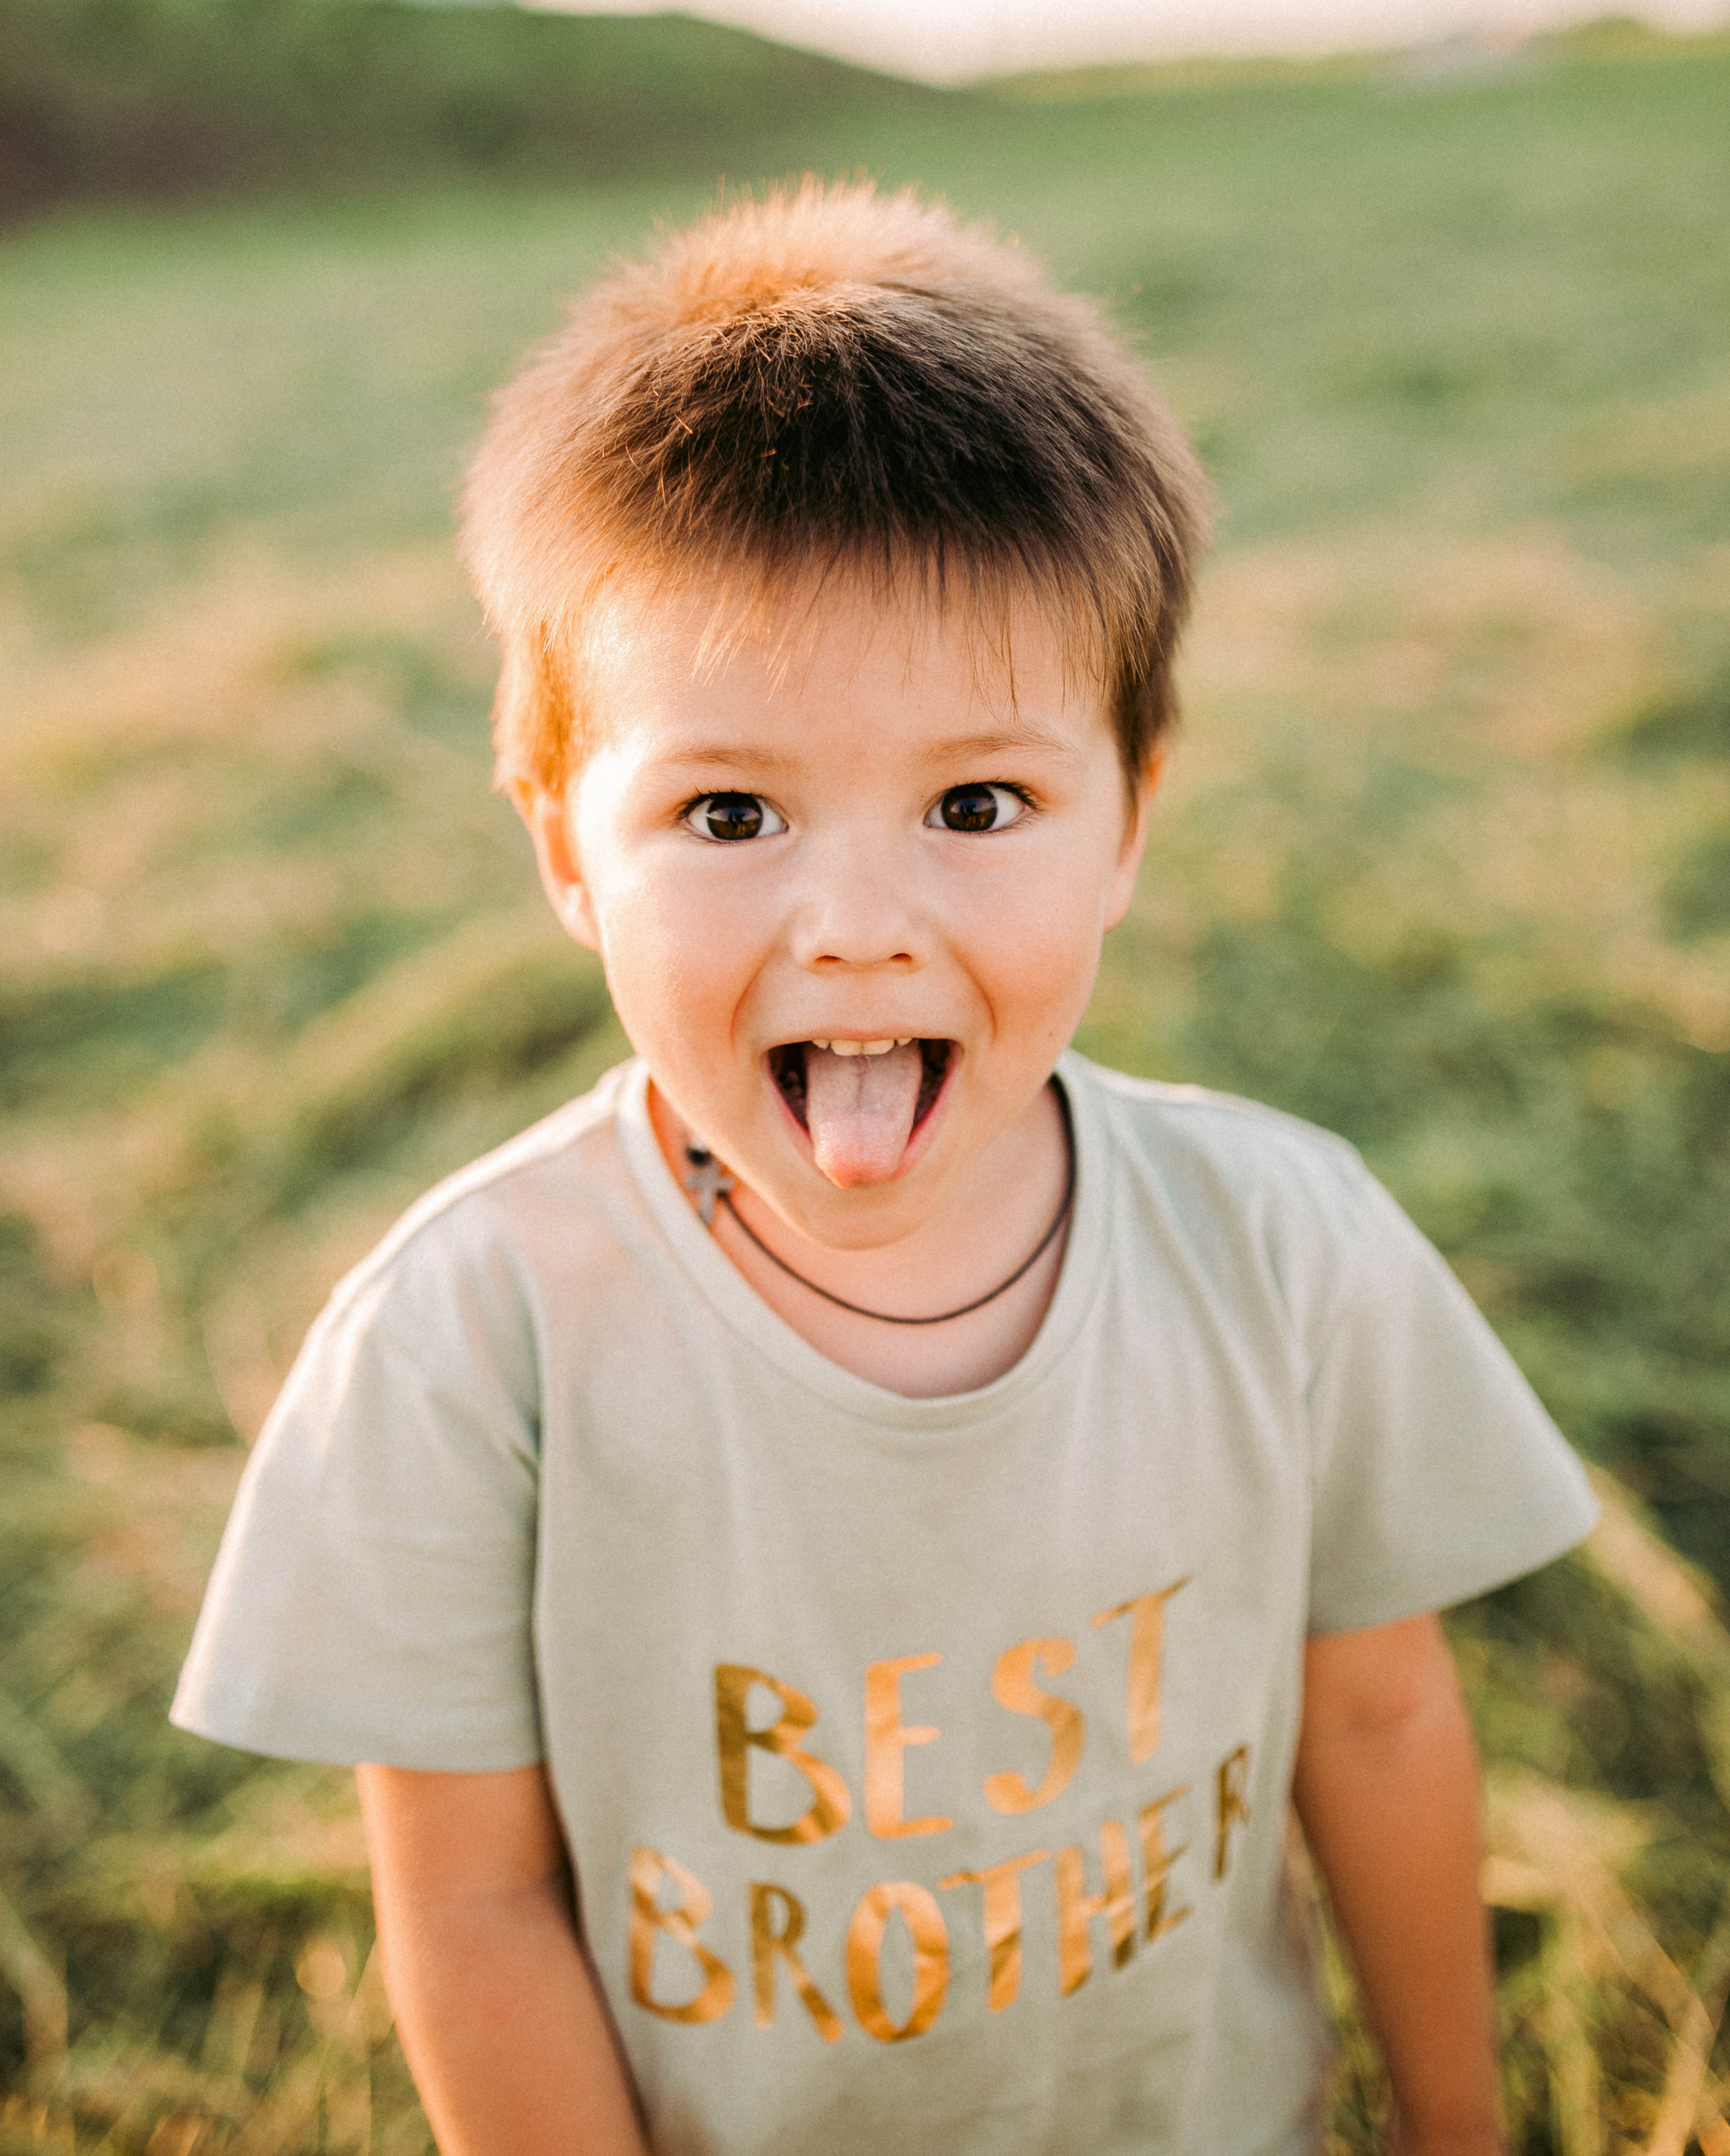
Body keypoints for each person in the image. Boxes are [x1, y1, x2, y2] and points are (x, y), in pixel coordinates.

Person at [174, 180, 1597, 2156]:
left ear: (1128, 820)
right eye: (733, 808)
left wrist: (1461, 2129)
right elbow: (476, 1906)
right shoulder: (468, 1340)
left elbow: (1374, 1720)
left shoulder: (1286, 1249)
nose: (855, 921)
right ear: (570, 847)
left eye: (978, 802)